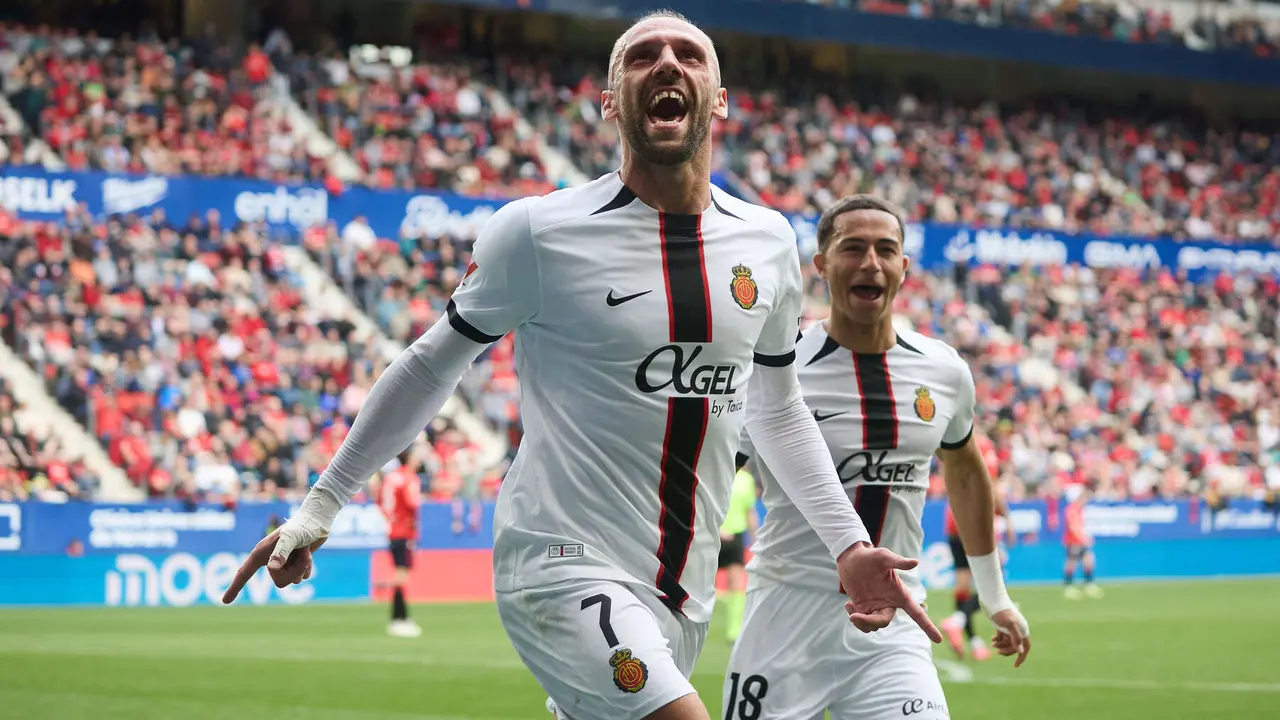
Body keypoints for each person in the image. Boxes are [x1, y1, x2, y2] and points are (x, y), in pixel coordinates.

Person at [222, 12, 940, 720]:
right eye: (641, 56)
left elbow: (777, 409)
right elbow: (429, 367)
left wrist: (849, 546)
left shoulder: (769, 243)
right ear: (608, 101)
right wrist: (322, 504)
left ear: (719, 99)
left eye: (689, 54)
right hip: (556, 561)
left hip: (679, 593)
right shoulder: (538, 233)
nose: (667, 64)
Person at [724, 195, 1031, 720]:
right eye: (853, 248)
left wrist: (994, 595)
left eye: (886, 250)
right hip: (785, 617)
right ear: (819, 266)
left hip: (898, 621)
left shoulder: (944, 370)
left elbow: (965, 471)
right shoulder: (775, 371)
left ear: (904, 269)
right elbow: (707, 475)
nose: (871, 262)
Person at [940, 441, 1015, 660]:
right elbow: (987, 485)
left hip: (953, 518)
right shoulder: (983, 446)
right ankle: (957, 621)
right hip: (973, 520)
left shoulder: (954, 442)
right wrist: (1007, 518)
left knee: (962, 588)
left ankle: (973, 642)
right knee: (995, 583)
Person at [375, 451, 423, 637]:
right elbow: (413, 502)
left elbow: (381, 502)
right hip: (404, 531)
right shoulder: (408, 478)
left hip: (392, 530)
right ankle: (398, 618)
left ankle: (401, 618)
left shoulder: (391, 478)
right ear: (409, 458)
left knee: (400, 574)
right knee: (401, 576)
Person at [718, 462, 758, 643]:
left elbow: (749, 511)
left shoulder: (746, 480)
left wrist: (755, 539)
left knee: (736, 581)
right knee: (699, 581)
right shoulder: (718, 473)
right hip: (713, 534)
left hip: (736, 535)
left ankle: (734, 631)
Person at [1063, 484, 1102, 599]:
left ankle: (1089, 584)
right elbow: (1073, 526)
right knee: (1072, 562)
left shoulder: (1080, 509)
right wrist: (1083, 538)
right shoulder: (1072, 509)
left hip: (1080, 540)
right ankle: (1068, 586)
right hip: (1073, 540)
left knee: (1088, 560)